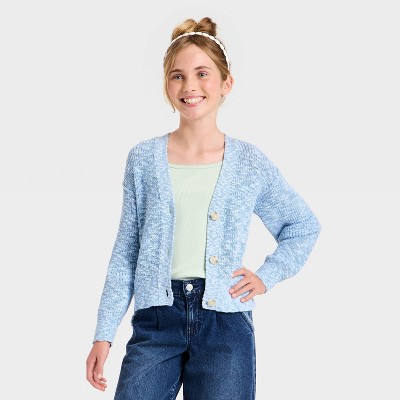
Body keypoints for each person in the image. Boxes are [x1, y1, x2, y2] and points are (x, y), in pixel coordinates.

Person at [86, 16, 321, 400]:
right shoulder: (143, 159)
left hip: (224, 324)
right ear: (166, 85)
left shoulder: (248, 162)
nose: (189, 86)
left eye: (202, 74)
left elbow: (302, 225)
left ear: (226, 83)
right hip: (156, 322)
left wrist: (267, 276)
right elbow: (126, 251)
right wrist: (104, 333)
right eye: (177, 76)